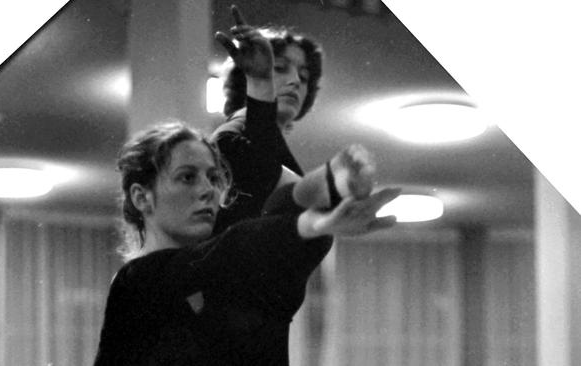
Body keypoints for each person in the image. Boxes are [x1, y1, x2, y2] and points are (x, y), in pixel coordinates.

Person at [92, 121, 400, 365]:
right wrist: (311, 220)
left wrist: (316, 204)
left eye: (213, 178)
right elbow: (227, 252)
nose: (208, 190)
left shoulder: (233, 270)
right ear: (141, 197)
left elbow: (263, 236)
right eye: (187, 177)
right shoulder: (135, 285)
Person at [212, 5, 327, 234]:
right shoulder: (231, 137)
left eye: (303, 76)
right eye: (280, 68)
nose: (295, 80)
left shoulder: (254, 139)